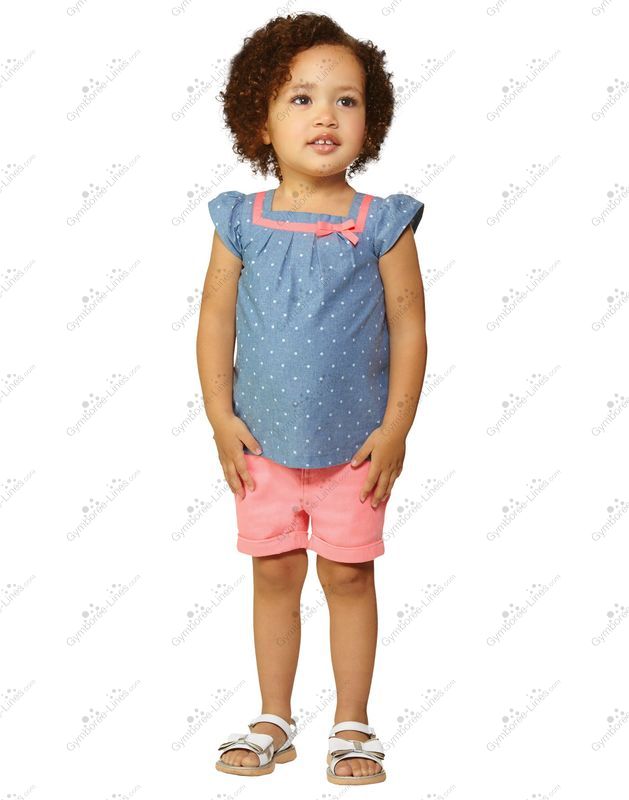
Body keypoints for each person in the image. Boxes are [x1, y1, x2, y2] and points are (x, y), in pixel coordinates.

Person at [197, 12, 427, 785]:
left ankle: (352, 720)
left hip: (354, 449)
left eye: (345, 100)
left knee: (348, 577)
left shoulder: (381, 222)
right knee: (272, 576)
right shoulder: (240, 221)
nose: (325, 115)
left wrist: (394, 432)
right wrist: (220, 419)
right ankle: (274, 717)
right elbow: (215, 320)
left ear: (371, 120)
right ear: (258, 121)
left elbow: (409, 329)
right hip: (260, 446)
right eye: (300, 98)